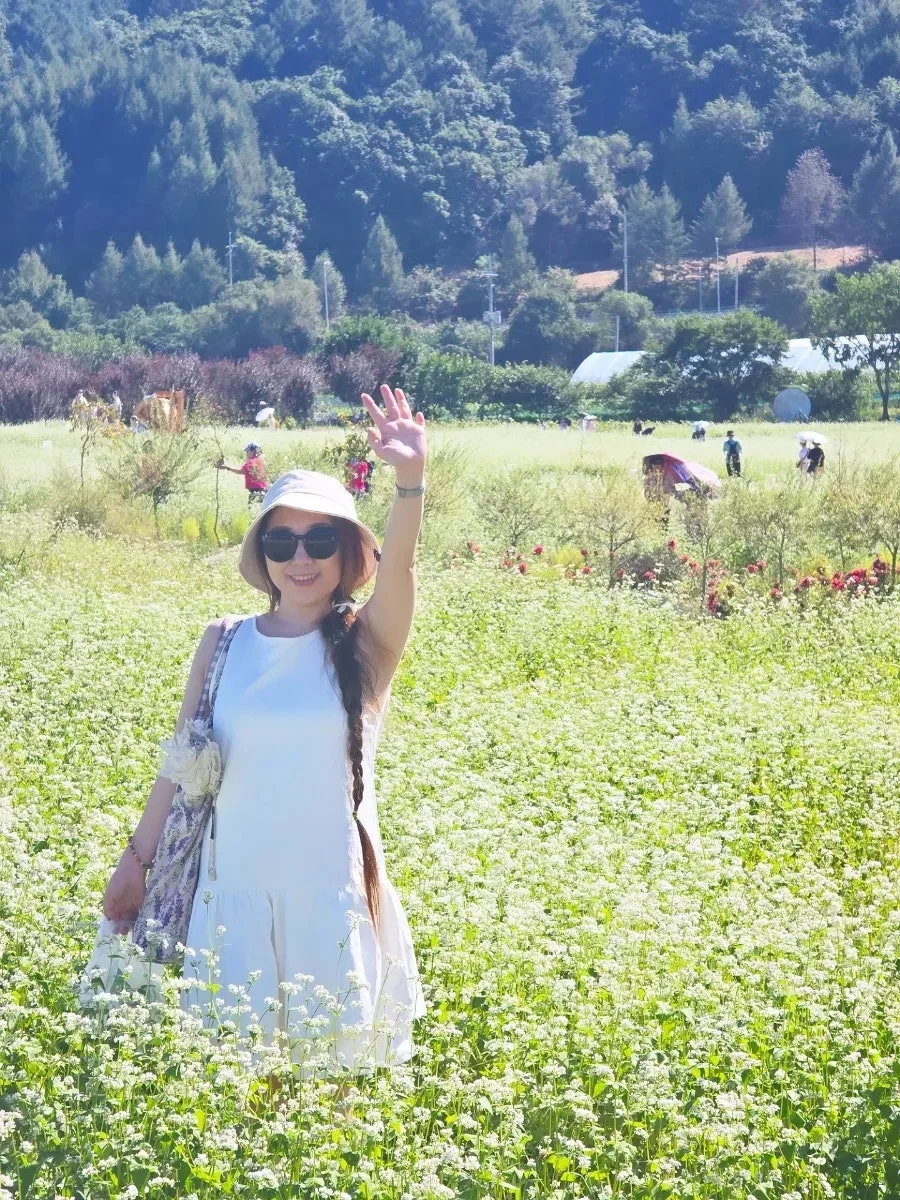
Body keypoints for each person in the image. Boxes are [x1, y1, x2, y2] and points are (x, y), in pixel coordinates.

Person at [103, 384, 428, 1072]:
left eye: (319, 540)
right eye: (282, 541)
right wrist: (135, 862)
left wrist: (409, 482)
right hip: (236, 889)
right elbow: (183, 765)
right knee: (244, 1084)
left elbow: (399, 568)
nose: (300, 558)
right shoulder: (223, 641)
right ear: (264, 553)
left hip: (328, 889)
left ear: (346, 553)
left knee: (334, 1088)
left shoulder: (366, 642)